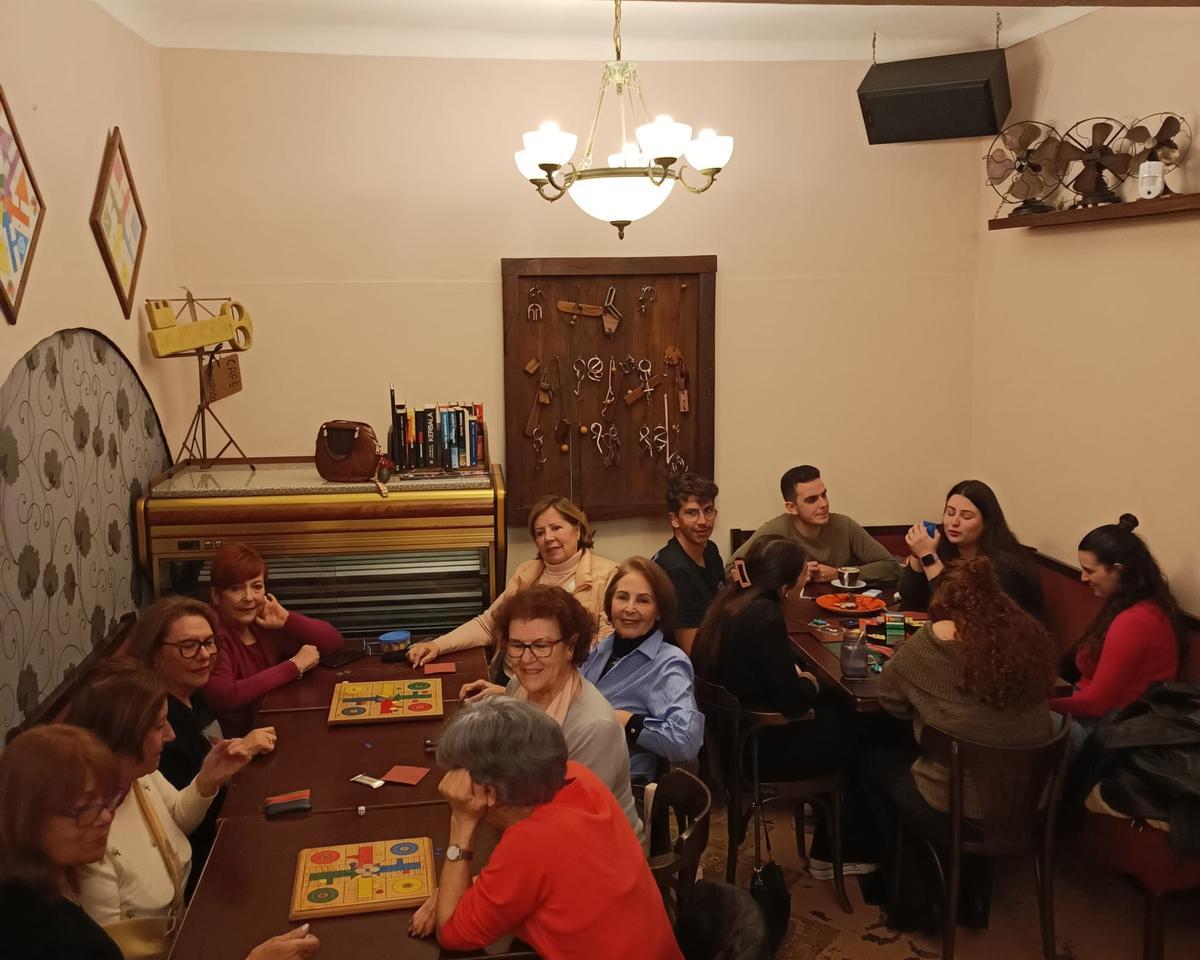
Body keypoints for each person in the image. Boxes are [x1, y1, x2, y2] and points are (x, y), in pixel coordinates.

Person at [0, 724, 319, 960]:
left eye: (106, 802)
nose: (105, 819)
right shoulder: (43, 934)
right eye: (83, 809)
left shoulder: (48, 881)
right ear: (28, 816)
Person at [861, 557, 1057, 930]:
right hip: (1026, 802)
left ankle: (914, 897)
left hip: (958, 805)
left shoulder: (932, 642)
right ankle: (975, 894)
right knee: (974, 767)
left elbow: (890, 701)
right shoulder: (1025, 636)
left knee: (876, 765)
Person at [430, 697, 683, 960]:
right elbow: (545, 876)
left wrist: (461, 820)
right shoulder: (579, 777)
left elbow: (451, 933)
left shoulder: (528, 843)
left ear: (489, 791)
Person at [694, 535, 878, 877]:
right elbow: (793, 703)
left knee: (845, 717)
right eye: (802, 575)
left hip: (736, 740)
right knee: (864, 726)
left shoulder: (730, 603)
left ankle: (838, 840)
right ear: (785, 585)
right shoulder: (765, 616)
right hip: (763, 746)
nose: (806, 579)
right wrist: (808, 683)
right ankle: (838, 849)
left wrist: (793, 676)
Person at [66, 659, 255, 938]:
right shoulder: (91, 832)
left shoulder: (137, 775)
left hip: (193, 917)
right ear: (123, 735)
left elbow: (175, 820)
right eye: (158, 726)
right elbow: (114, 948)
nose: (171, 734)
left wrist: (206, 779)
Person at [126, 596, 277, 890]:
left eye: (209, 642)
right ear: (154, 653)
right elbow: (181, 824)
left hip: (232, 822)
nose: (205, 654)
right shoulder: (156, 724)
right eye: (188, 646)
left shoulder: (194, 692)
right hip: (206, 857)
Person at [408, 496, 618, 667]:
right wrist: (436, 645)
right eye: (540, 532)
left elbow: (605, 648)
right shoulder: (526, 573)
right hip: (510, 678)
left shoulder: (608, 575)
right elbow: (488, 624)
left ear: (578, 530)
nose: (548, 538)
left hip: (561, 687)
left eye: (556, 528)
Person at [580, 557, 704, 782]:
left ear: (659, 611)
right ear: (610, 604)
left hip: (621, 787)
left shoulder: (668, 663)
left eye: (643, 600)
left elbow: (686, 742)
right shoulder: (603, 649)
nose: (630, 609)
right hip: (581, 769)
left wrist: (627, 721)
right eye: (623, 597)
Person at [1049, 514, 1183, 721]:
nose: (1083, 578)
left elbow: (1095, 705)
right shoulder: (1132, 603)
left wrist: (1038, 706)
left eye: (1089, 571)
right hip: (1090, 708)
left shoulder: (1136, 621)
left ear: (1118, 570)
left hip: (1107, 726)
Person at [202, 543, 344, 736]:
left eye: (257, 586)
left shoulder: (261, 622)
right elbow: (227, 696)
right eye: (235, 589)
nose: (249, 597)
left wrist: (287, 619)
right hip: (240, 743)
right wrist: (294, 666)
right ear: (216, 596)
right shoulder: (211, 633)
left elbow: (332, 643)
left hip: (273, 729)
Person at [899, 479, 1044, 619]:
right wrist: (917, 554)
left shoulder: (1004, 566)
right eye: (950, 513)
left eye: (966, 516)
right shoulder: (945, 546)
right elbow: (911, 597)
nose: (954, 522)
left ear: (986, 523)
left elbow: (958, 612)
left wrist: (928, 556)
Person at [730, 465, 900, 583]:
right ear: (792, 508)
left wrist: (840, 574)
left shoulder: (844, 525)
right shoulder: (776, 529)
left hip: (841, 610)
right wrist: (793, 573)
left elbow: (891, 566)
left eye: (824, 495)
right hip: (792, 612)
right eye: (812, 500)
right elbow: (732, 570)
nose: (823, 504)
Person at [652, 472, 725, 654]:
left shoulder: (710, 550)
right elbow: (692, 650)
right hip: (681, 665)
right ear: (675, 520)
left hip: (716, 640)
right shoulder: (672, 568)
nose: (703, 521)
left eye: (708, 511)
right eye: (691, 513)